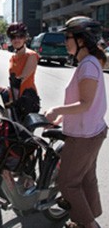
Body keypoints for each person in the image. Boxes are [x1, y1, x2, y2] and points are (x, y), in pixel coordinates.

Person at [44, 16, 107, 228]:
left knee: (68, 183)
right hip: (90, 132)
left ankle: (88, 224)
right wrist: (62, 117)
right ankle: (89, 216)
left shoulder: (88, 65)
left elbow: (86, 103)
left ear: (82, 40)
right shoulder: (88, 63)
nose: (65, 41)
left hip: (84, 136)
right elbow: (81, 103)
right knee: (86, 177)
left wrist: (56, 110)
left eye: (68, 37)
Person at [0, 22, 40, 121]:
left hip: (26, 100)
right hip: (14, 99)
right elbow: (13, 80)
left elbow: (21, 79)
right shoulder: (13, 57)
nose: (16, 40)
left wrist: (7, 91)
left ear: (25, 38)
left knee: (24, 134)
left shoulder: (31, 55)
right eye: (13, 37)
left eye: (20, 36)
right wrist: (6, 90)